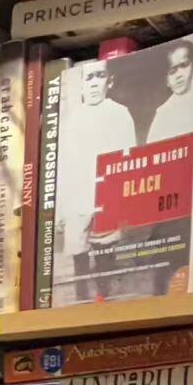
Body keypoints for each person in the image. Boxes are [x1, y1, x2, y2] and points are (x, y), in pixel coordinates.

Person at [55, 57, 135, 292]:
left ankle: (103, 296)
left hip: (105, 196)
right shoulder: (73, 119)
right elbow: (65, 165)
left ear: (110, 81)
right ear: (82, 84)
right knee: (79, 254)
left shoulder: (119, 114)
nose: (93, 83)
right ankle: (81, 296)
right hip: (78, 197)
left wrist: (123, 201)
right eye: (88, 78)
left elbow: (128, 159)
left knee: (104, 254)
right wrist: (61, 210)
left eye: (100, 76)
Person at [149, 39, 193, 142]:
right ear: (166, 80)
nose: (178, 75)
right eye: (172, 71)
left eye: (184, 65)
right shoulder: (163, 114)